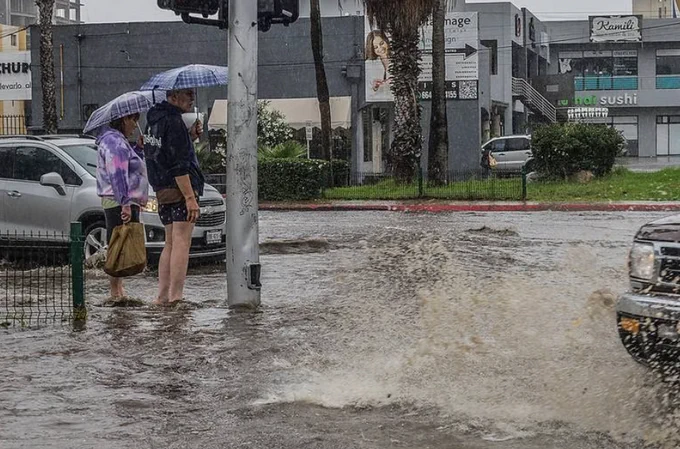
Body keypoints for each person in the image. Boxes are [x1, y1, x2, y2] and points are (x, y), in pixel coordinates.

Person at [144, 88, 205, 306]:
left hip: (161, 190)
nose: (192, 98)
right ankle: (176, 296)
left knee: (169, 243)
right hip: (178, 190)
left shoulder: (153, 121)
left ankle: (162, 295)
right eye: (187, 94)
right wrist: (190, 197)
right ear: (173, 97)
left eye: (192, 94)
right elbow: (179, 164)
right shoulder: (174, 122)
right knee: (181, 242)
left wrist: (189, 138)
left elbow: (161, 152)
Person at [96, 112, 148, 301]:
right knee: (117, 242)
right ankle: (115, 291)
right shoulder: (114, 142)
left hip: (120, 199)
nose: (135, 125)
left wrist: (139, 149)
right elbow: (117, 174)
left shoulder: (118, 141)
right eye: (133, 120)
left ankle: (118, 290)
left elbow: (129, 166)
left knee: (119, 241)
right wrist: (125, 203)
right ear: (124, 120)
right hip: (118, 200)